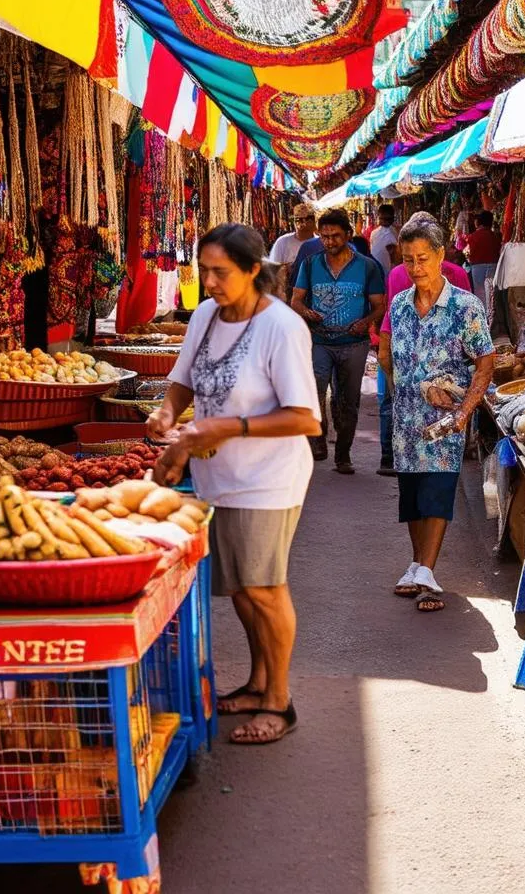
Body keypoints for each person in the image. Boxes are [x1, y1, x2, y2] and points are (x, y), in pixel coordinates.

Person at [148, 224, 321, 746]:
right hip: (216, 477)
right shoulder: (204, 316)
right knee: (242, 592)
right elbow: (183, 380)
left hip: (267, 480)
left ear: (253, 271)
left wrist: (227, 426)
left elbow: (306, 419)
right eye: (204, 271)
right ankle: (257, 681)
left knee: (266, 591)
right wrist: (167, 411)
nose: (209, 282)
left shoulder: (282, 328)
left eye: (220, 272)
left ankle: (280, 701)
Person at [378, 216, 495, 612]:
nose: (415, 268)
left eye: (423, 259)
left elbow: (485, 361)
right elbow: (388, 354)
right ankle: (417, 566)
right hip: (407, 417)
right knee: (412, 495)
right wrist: (402, 390)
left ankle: (427, 572)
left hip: (445, 422)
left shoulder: (465, 306)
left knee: (437, 491)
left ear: (441, 256)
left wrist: (464, 409)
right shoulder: (399, 305)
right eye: (408, 260)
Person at [376, 212, 471, 476]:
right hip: (435, 363)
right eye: (410, 259)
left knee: (393, 401)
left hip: (398, 343)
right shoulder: (455, 273)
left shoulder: (396, 273)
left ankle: (388, 457)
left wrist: (394, 374)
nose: (416, 267)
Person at [292, 209, 386, 474]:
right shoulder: (310, 265)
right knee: (314, 394)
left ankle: (343, 454)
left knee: (348, 400)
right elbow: (296, 299)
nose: (329, 242)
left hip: (353, 344)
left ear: (348, 235)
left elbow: (380, 305)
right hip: (319, 341)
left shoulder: (367, 266)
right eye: (324, 237)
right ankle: (319, 439)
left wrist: (365, 322)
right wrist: (307, 312)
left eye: (335, 236)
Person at [269, 204, 317, 294]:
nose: (303, 223)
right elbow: (273, 268)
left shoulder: (320, 243)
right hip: (290, 292)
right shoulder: (282, 242)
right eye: (298, 220)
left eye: (308, 219)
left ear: (313, 221)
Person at [465, 211, 502, 310]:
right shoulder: (495, 236)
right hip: (493, 265)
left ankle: (483, 314)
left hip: (477, 266)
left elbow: (469, 253)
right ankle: (492, 313)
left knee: (480, 291)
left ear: (479, 222)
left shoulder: (473, 236)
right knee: (491, 291)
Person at [369, 204, 400, 275]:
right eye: (383, 218)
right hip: (386, 273)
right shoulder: (392, 233)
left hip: (377, 271)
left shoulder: (374, 233)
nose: (385, 221)